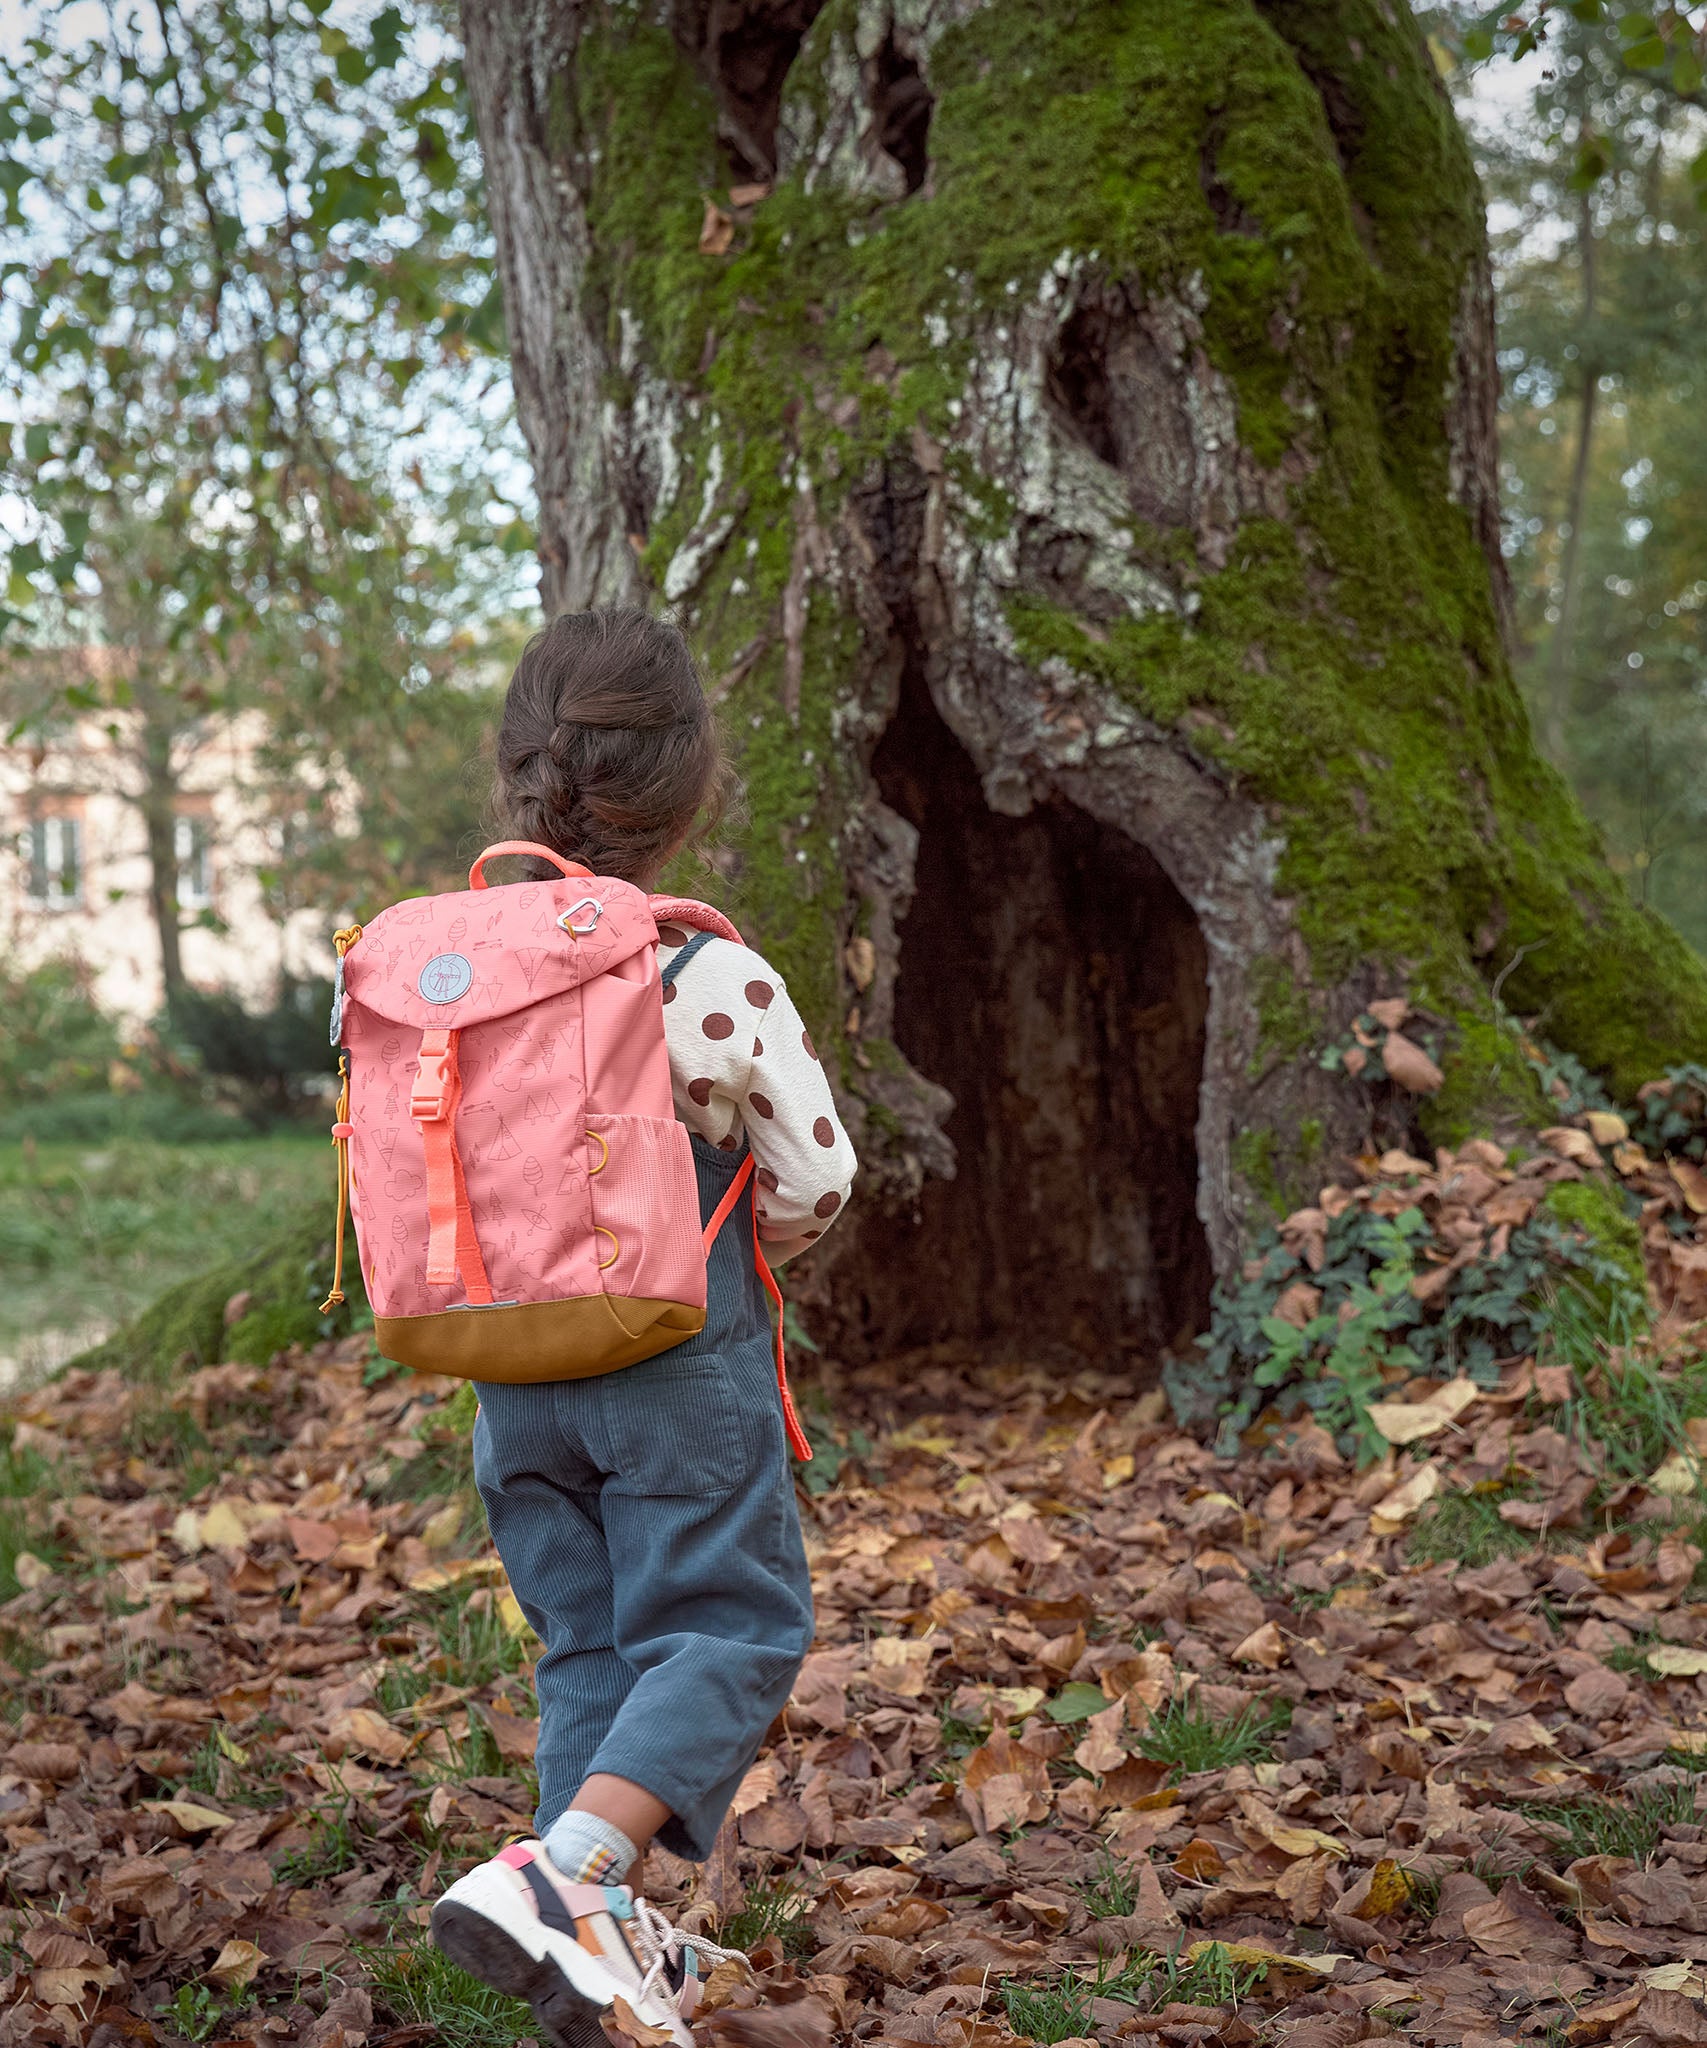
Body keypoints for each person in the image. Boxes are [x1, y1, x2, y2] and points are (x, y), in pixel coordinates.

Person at [428, 610, 855, 2048]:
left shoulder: (446, 981)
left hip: (507, 1371)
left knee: (592, 1651)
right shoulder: (706, 978)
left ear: (519, 775)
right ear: (687, 794)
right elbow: (814, 1175)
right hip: (673, 1361)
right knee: (735, 1625)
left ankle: (592, 1948)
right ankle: (576, 1872)